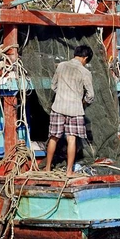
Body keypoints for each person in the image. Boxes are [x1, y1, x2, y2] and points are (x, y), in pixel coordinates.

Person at [44, 44, 94, 176]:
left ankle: (48, 168)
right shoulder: (85, 72)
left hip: (58, 106)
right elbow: (90, 95)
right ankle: (69, 171)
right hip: (75, 109)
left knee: (53, 137)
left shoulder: (61, 66)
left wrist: (61, 94)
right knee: (71, 139)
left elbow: (53, 86)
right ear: (85, 58)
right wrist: (82, 102)